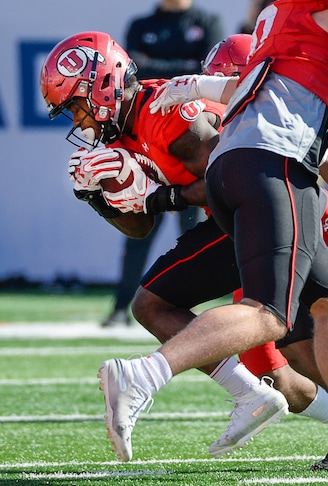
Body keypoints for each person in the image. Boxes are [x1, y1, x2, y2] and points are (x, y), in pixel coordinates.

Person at [91, 1, 328, 486]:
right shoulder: (294, 50)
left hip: (292, 199)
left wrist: (164, 191)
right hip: (262, 193)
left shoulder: (270, 66)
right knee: (283, 332)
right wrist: (107, 198)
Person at [101, 0, 225, 327]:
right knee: (136, 212)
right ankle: (120, 305)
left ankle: (212, 307)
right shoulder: (143, 24)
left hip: (183, 137)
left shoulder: (207, 21)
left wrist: (172, 74)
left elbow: (206, 74)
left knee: (199, 226)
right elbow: (132, 73)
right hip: (151, 140)